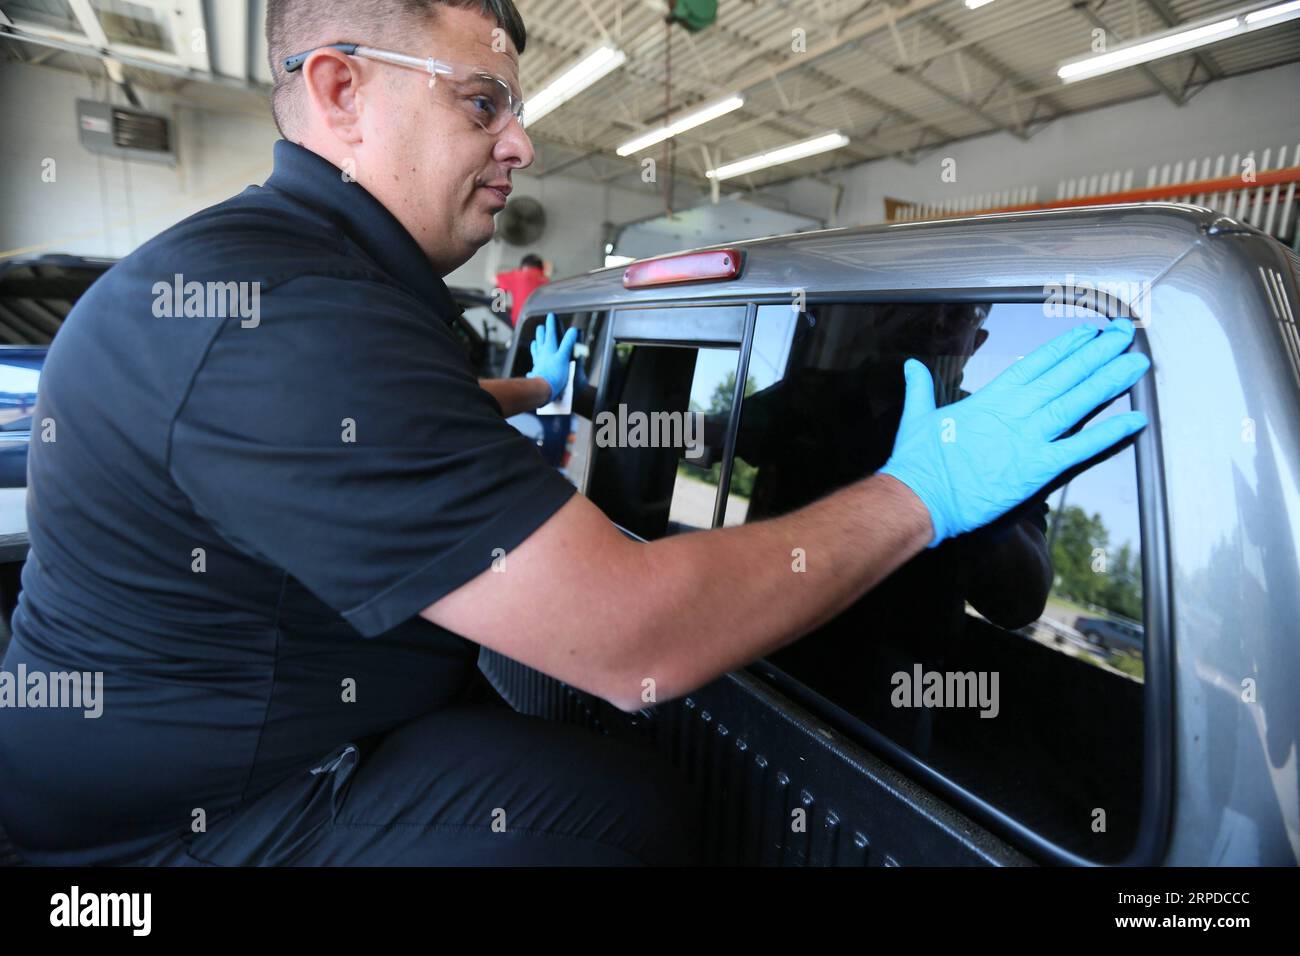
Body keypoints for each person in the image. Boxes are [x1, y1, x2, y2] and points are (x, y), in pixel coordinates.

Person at [0, 0, 1151, 867]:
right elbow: (630, 640)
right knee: (618, 811)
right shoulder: (291, 322)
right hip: (157, 837)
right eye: (480, 104)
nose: (520, 145)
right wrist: (924, 494)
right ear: (342, 90)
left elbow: (386, 428)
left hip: (182, 742)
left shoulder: (284, 274)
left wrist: (527, 399)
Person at [495, 252, 550, 326]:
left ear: (522, 266)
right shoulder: (546, 281)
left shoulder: (518, 275)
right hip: (541, 323)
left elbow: (497, 280)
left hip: (519, 323)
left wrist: (499, 308)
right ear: (541, 268)